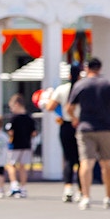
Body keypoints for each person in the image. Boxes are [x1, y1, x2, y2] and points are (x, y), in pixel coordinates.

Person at [67, 58, 110, 210]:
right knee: (106, 163)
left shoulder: (80, 84)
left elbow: (69, 107)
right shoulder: (109, 83)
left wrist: (75, 119)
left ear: (87, 68)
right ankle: (108, 196)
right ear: (100, 68)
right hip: (107, 127)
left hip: (86, 127)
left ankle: (86, 197)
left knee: (86, 162)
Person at [38, 64, 82, 202]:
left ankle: (68, 188)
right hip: (82, 126)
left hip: (66, 125)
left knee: (68, 158)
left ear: (68, 75)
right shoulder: (83, 88)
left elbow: (50, 106)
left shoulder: (62, 89)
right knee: (82, 160)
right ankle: (82, 190)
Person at [4, 93, 35, 198]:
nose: (11, 109)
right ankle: (23, 188)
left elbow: (10, 132)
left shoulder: (14, 118)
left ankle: (14, 185)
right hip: (26, 144)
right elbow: (34, 132)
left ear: (16, 104)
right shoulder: (29, 118)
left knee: (11, 164)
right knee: (22, 166)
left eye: (12, 107)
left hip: (15, 144)